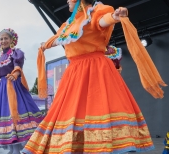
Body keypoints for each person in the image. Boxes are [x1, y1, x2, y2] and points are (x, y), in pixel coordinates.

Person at [22, 0, 167, 153]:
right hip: (75, 72)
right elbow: (57, 38)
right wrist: (44, 45)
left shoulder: (95, 11)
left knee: (98, 108)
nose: (67, 1)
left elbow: (103, 21)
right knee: (73, 113)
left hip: (95, 69)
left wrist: (115, 16)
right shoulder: (69, 24)